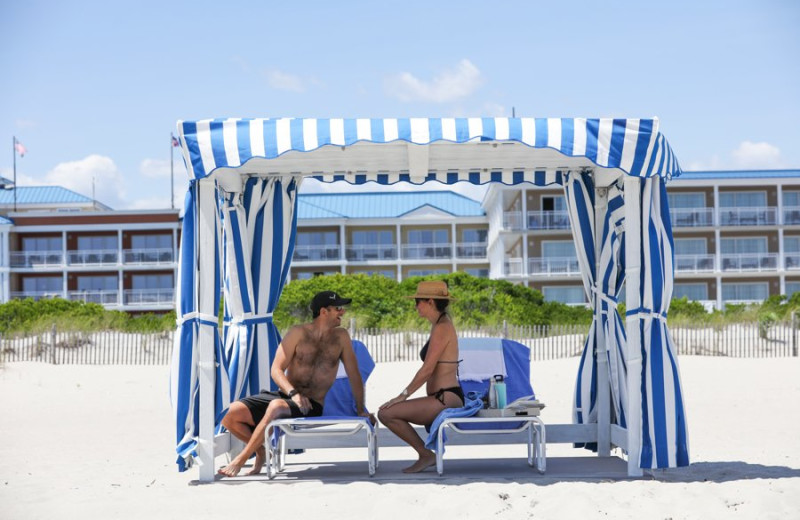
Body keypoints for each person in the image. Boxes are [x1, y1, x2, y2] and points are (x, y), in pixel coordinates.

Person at [218, 290, 370, 477]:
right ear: (323, 312)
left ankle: (240, 460)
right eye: (338, 308)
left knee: (275, 407)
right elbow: (276, 370)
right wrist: (293, 393)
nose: (342, 312)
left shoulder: (341, 337)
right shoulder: (297, 333)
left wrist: (361, 409)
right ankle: (261, 451)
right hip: (286, 396)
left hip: (311, 404)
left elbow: (354, 375)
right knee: (227, 413)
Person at [378, 280, 464, 473]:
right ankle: (426, 454)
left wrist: (403, 395)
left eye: (418, 301)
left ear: (431, 302)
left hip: (446, 397)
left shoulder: (442, 327)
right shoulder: (439, 324)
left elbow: (427, 370)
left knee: (386, 413)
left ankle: (426, 455)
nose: (415, 305)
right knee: (386, 412)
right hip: (441, 396)